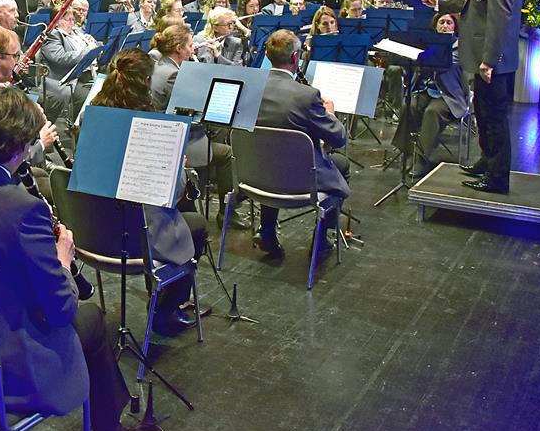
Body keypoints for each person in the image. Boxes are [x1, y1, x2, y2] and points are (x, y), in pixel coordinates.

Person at [0, 86, 130, 431]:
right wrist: (62, 261)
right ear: (18, 148)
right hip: (1, 360)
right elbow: (61, 309)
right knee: (92, 319)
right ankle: (109, 427)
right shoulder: (24, 209)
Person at [89, 48, 207, 335]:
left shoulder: (93, 117)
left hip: (94, 233)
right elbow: (172, 194)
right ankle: (165, 311)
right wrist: (179, 167)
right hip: (135, 238)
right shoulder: (149, 125)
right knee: (196, 225)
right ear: (145, 81)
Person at [420, 0, 523, 193]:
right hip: (482, 59)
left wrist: (489, 60)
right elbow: (472, 2)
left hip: (492, 61)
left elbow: (499, 20)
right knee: (484, 113)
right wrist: (439, 2)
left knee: (494, 117)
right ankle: (487, 161)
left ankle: (497, 177)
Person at [254, 29, 350, 260]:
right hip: (298, 182)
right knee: (341, 164)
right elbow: (338, 138)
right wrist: (330, 113)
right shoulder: (306, 96)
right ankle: (321, 238)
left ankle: (267, 231)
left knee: (271, 154)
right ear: (295, 57)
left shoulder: (251, 87)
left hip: (256, 175)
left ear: (267, 55)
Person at [0, 26, 61, 196]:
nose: (18, 62)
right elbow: (3, 161)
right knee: (55, 191)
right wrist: (42, 143)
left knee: (43, 176)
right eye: (15, 56)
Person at [150, 23, 235, 207]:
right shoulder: (173, 74)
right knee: (227, 152)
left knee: (216, 132)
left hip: (162, 131)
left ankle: (200, 189)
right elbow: (188, 112)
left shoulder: (159, 65)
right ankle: (226, 211)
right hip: (173, 141)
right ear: (178, 49)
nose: (193, 49)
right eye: (189, 46)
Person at [392, 13, 468, 180]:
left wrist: (436, 59)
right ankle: (405, 152)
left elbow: (456, 68)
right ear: (435, 26)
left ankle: (422, 157)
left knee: (432, 112)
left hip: (448, 95)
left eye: (449, 23)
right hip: (425, 90)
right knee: (409, 106)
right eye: (442, 22)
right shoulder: (427, 44)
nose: (445, 26)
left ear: (455, 27)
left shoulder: (461, 47)